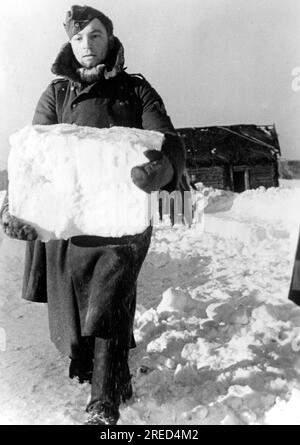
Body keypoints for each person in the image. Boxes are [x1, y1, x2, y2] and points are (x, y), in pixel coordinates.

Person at [0, 5, 189, 425]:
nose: (88, 45)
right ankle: (106, 373)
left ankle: (103, 404)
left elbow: (170, 139)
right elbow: (32, 156)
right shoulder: (56, 94)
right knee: (77, 315)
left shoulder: (135, 90)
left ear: (111, 40)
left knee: (108, 298)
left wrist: (161, 169)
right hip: (72, 219)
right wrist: (16, 205)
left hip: (122, 218)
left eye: (96, 36)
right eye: (79, 37)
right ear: (70, 44)